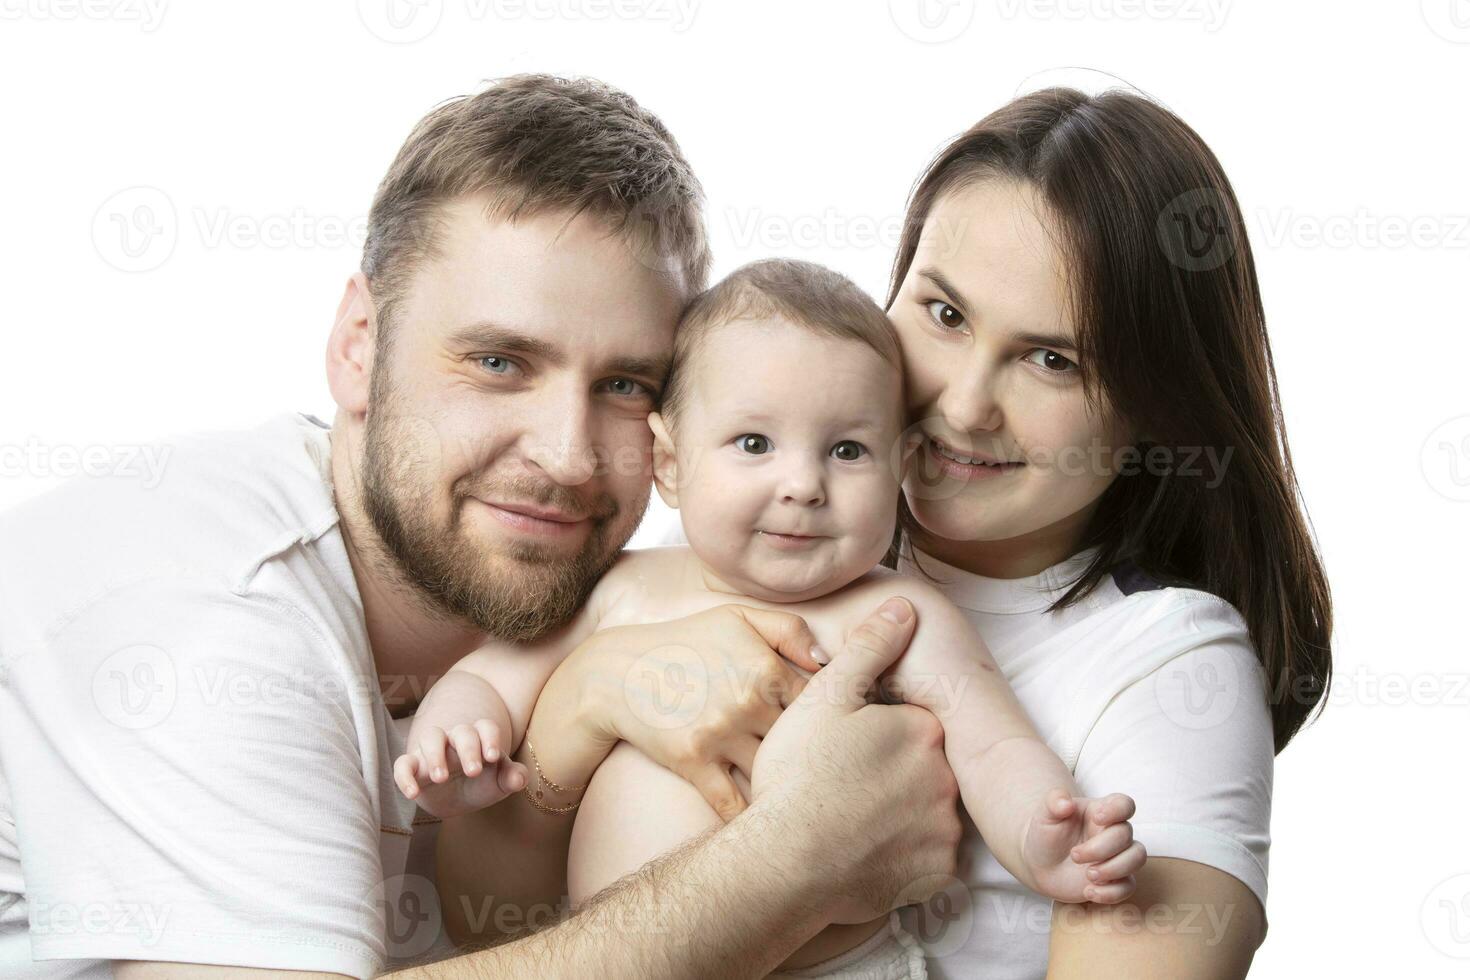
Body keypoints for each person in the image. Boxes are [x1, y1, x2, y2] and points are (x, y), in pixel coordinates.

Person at [0, 75, 962, 980]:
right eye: (500, 362)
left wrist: (582, 703)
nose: (568, 456)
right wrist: (789, 862)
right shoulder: (200, 598)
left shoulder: (624, 604)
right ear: (356, 348)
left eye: (625, 385)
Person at [446, 88, 1332, 979]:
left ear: (1153, 406)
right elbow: (495, 932)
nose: (964, 403)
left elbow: (997, 752)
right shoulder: (731, 543)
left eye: (1052, 359)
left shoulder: (1161, 657)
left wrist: (1042, 833)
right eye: (945, 314)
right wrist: (587, 696)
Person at [399, 258, 1147, 978]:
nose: (803, 485)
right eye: (754, 443)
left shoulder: (898, 614)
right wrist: (456, 738)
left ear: (903, 463)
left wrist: (1045, 833)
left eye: (848, 450)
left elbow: (993, 746)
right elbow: (492, 679)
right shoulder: (621, 590)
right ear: (667, 462)